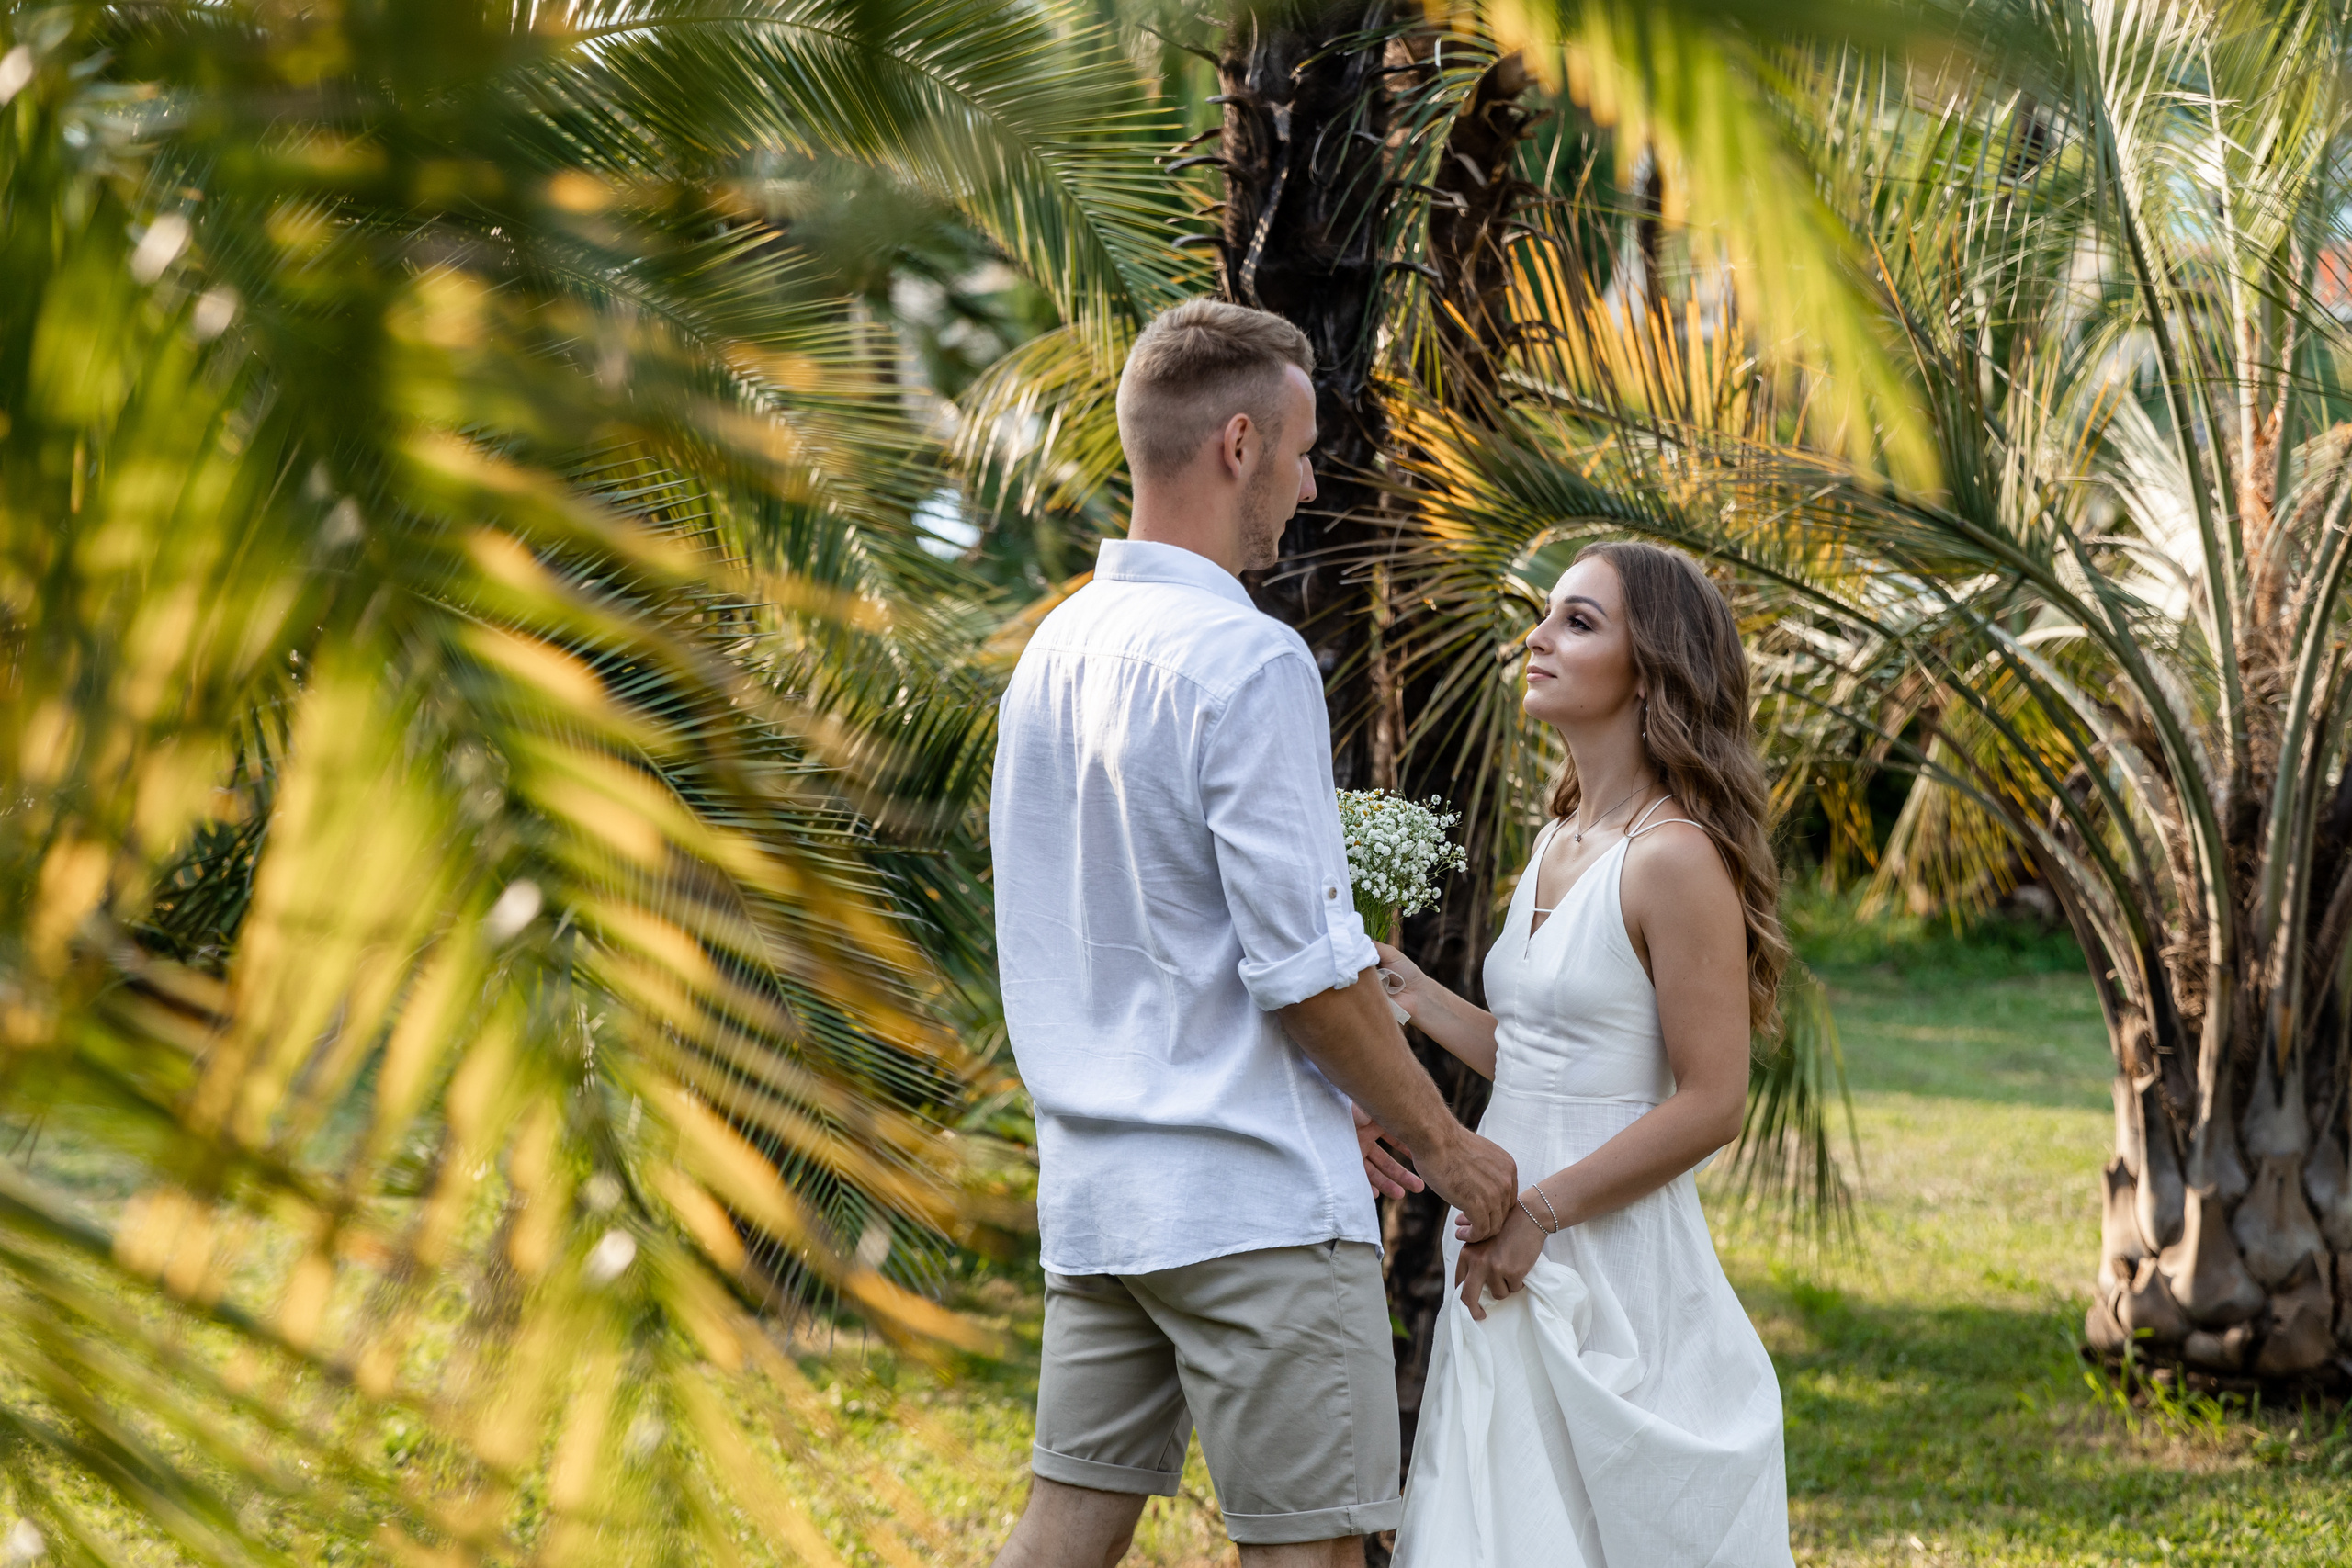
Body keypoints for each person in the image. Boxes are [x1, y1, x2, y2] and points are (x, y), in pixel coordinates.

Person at [986, 299, 1519, 1568]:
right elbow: (1306, 976)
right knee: (1319, 1551)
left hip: (1102, 1202)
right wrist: (1449, 1147)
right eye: (1301, 446)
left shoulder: (1052, 652)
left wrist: (1322, 1095)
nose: (1310, 475)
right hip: (1255, 1212)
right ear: (1237, 443)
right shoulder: (1249, 659)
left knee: (1062, 1531)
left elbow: (1130, 934)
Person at [1378, 541, 1797, 1567]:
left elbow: (1711, 1102)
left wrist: (1541, 1214)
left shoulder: (1674, 857)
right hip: (1498, 1241)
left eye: (1578, 621)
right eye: (1545, 614)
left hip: (1605, 1263)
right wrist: (1409, 992)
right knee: (1498, 1527)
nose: (1538, 637)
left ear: (1650, 668)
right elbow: (1540, 1057)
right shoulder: (1558, 837)